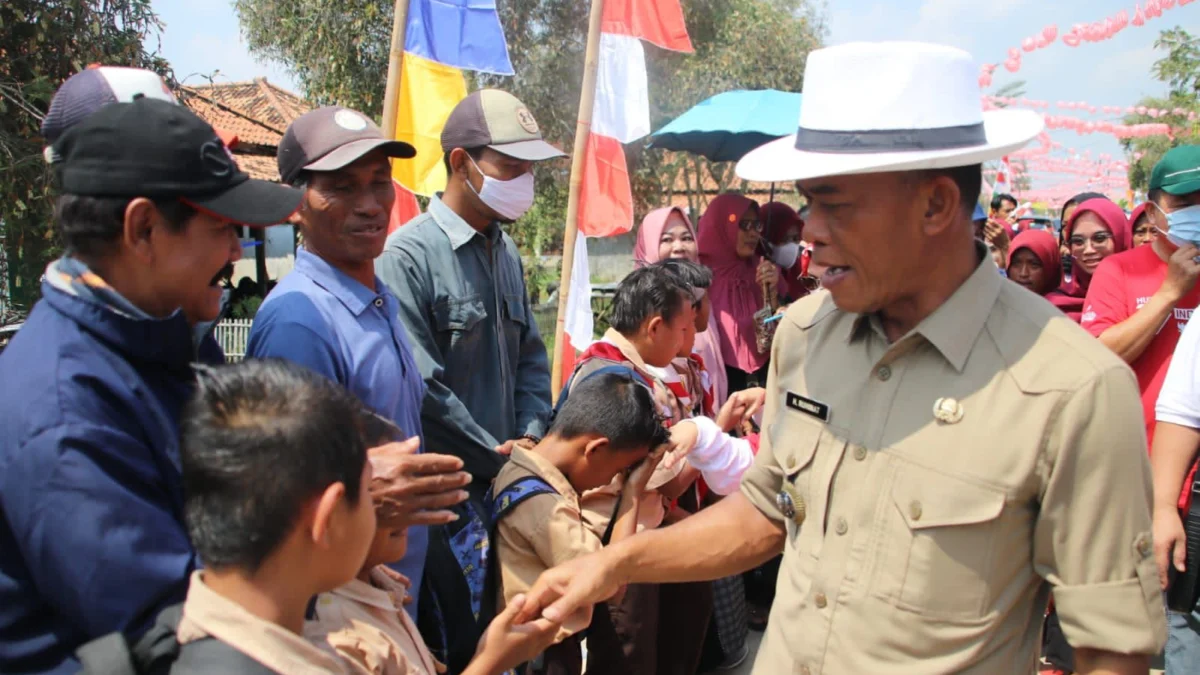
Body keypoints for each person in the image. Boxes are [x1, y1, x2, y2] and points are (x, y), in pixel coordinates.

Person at [514, 41, 1166, 674]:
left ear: (936, 204)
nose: (809, 230)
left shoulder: (1072, 391)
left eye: (834, 202)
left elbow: (1111, 649)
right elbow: (767, 509)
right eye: (809, 201)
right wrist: (617, 562)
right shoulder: (805, 333)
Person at [0, 99, 303, 674]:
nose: (236, 252)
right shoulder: (65, 416)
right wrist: (319, 533)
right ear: (143, 229)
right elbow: (180, 627)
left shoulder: (157, 344)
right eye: (222, 227)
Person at [246, 106, 467, 619]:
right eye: (342, 188)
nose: (370, 205)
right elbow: (290, 499)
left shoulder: (377, 298)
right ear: (295, 204)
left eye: (379, 181)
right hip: (340, 613)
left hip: (396, 595)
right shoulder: (298, 323)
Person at [378, 89, 559, 493]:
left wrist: (530, 437)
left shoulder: (506, 250)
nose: (525, 182)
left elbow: (530, 356)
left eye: (530, 170)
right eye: (511, 167)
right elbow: (424, 391)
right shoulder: (405, 258)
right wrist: (500, 457)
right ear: (462, 163)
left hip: (515, 479)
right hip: (447, 491)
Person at [307, 413, 562, 675]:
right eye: (389, 491)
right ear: (330, 508)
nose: (409, 506)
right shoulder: (337, 636)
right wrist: (491, 661)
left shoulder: (382, 589)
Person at [494, 372, 670, 675]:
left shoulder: (518, 468)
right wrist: (632, 492)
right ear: (595, 449)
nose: (611, 480)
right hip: (545, 656)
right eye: (619, 470)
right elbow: (613, 584)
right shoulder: (546, 509)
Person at [1137, 146, 1200, 675]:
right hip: (1144, 475)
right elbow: (1182, 411)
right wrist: (1164, 510)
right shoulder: (1122, 272)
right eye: (1187, 202)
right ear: (1155, 209)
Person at [633, 206, 728, 408]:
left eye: (686, 238)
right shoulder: (641, 306)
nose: (679, 247)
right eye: (666, 240)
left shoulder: (700, 294)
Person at [698, 194, 777, 393]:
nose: (753, 234)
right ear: (721, 226)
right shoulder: (699, 277)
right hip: (715, 385)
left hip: (764, 382)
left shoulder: (763, 269)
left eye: (756, 225)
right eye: (744, 225)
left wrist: (772, 294)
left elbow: (777, 332)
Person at [1047, 197, 1130, 322]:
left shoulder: (1145, 296)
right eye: (1078, 241)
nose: (1088, 250)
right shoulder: (1054, 306)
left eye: (1099, 239)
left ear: (1121, 238)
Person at [761, 201, 810, 304]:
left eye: (796, 238)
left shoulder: (800, 272)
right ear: (767, 239)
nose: (792, 245)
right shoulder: (757, 275)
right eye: (784, 239)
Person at [1006, 229, 1062, 297]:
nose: (1023, 273)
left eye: (1034, 265)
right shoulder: (995, 301)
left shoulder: (1063, 306)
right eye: (1016, 264)